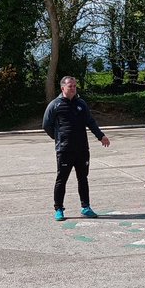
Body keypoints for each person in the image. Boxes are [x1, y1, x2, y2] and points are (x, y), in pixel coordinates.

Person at [43, 76, 110, 221]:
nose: (73, 88)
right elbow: (46, 125)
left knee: (83, 178)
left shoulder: (81, 104)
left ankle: (86, 207)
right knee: (61, 179)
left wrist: (101, 136)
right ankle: (59, 209)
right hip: (65, 149)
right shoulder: (55, 104)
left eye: (74, 86)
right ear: (63, 88)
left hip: (82, 149)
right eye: (70, 86)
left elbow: (90, 122)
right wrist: (58, 137)